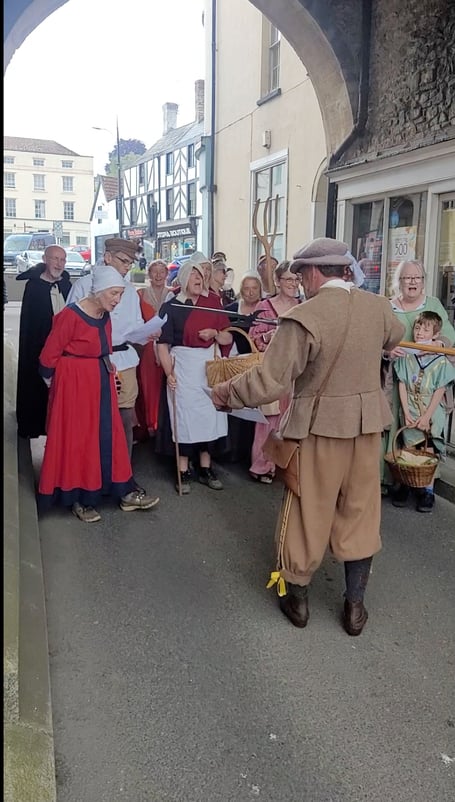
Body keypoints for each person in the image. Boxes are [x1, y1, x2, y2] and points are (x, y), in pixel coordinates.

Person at [211, 237, 404, 637]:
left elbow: (270, 380)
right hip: (367, 429)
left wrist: (226, 393)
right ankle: (354, 607)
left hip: (317, 429)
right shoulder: (379, 307)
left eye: (301, 275)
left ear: (316, 272)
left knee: (306, 512)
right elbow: (395, 335)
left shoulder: (303, 317)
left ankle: (297, 600)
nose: (300, 283)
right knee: (361, 512)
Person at [38, 266, 159, 522]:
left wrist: (109, 371)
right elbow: (48, 357)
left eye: (119, 295)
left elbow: (102, 351)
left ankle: (122, 490)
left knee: (109, 435)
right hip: (74, 385)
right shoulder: (70, 316)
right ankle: (79, 497)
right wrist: (60, 390)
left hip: (99, 381)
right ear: (100, 290)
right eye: (114, 294)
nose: (117, 300)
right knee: (79, 440)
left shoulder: (104, 315)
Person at [67, 238, 159, 504]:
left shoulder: (129, 290)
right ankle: (89, 479)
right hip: (94, 362)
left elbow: (136, 325)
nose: (127, 267)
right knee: (93, 420)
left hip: (124, 359)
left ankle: (122, 478)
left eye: (130, 263)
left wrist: (146, 333)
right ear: (107, 257)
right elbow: (71, 325)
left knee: (124, 419)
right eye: (123, 261)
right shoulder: (85, 285)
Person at [156, 260, 233, 494]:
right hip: (183, 368)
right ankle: (183, 469)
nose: (200, 279)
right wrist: (169, 373)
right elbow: (162, 344)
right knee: (184, 416)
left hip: (208, 367)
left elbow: (229, 338)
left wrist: (216, 333)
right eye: (194, 275)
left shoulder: (213, 304)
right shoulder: (172, 307)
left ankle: (206, 468)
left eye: (202, 275)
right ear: (184, 278)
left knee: (210, 415)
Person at [381, 259, 455, 494]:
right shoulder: (386, 306)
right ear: (398, 282)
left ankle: (423, 485)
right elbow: (376, 339)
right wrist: (387, 350)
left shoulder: (432, 304)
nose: (412, 282)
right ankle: (394, 479)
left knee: (422, 431)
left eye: (417, 278)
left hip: (426, 382)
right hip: (394, 381)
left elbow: (448, 340)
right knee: (395, 429)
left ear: (423, 282)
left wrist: (435, 343)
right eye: (407, 278)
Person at [392, 312, 455, 512]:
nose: (419, 332)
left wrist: (427, 416)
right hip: (409, 404)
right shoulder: (407, 355)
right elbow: (402, 382)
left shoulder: (441, 360)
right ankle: (406, 485)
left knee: (428, 448)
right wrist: (405, 411)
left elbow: (440, 389)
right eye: (417, 328)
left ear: (435, 334)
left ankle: (427, 491)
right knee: (408, 448)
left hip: (431, 408)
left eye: (426, 329)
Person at [248, 261, 300, 483]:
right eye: (288, 279)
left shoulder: (304, 305)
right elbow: (253, 339)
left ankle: (285, 464)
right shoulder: (265, 306)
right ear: (278, 281)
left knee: (292, 420)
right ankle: (262, 465)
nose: (293, 284)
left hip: (297, 372)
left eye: (296, 279)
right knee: (269, 420)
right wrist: (270, 336)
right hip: (272, 370)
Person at [16, 245, 72, 439]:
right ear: (45, 259)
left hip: (65, 352)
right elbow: (30, 324)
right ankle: (36, 426)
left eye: (63, 260)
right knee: (38, 391)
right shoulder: (34, 287)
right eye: (55, 259)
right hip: (39, 347)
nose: (59, 264)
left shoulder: (67, 285)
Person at [134, 259, 169, 438]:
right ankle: (148, 423)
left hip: (167, 344)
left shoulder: (172, 295)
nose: (158, 275)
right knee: (148, 384)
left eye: (161, 271)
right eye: (154, 271)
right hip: (147, 345)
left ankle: (163, 422)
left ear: (167, 274)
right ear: (149, 274)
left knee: (166, 381)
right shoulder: (140, 294)